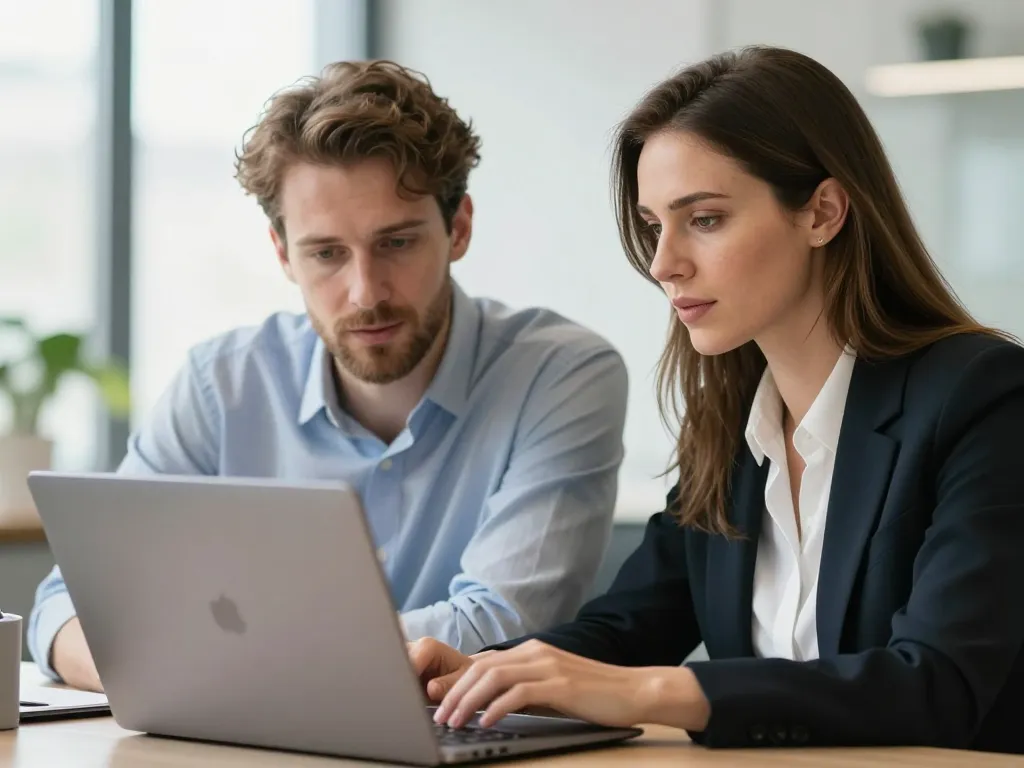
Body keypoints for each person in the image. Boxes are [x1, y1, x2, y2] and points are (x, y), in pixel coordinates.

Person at [409, 45, 1024, 754]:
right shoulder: (732, 429)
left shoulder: (984, 398)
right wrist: (483, 672)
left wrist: (650, 691)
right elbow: (631, 626)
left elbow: (936, 686)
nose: (663, 262)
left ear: (822, 212)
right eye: (652, 225)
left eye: (702, 219)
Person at [28, 60, 629, 692]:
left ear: (458, 228)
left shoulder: (561, 376)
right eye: (326, 253)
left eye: (396, 243)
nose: (365, 292)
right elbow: (71, 605)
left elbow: (504, 625)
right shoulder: (222, 385)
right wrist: (209, 670)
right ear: (283, 254)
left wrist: (212, 661)